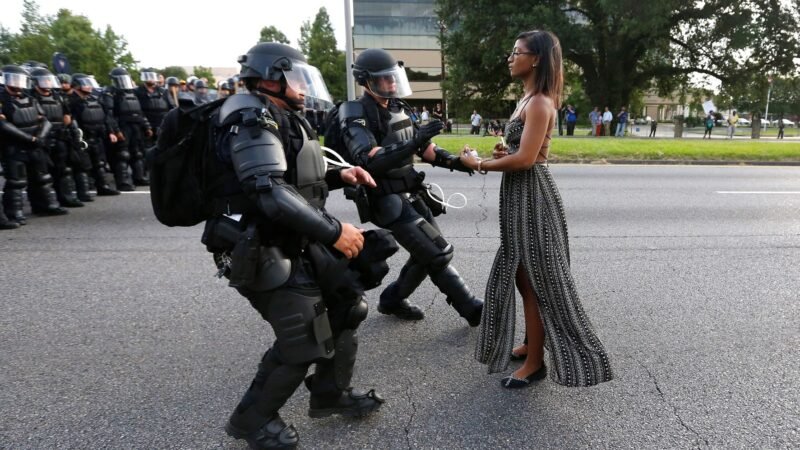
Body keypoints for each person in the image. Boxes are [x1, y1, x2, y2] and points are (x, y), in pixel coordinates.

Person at [192, 42, 385, 449]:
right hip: (260, 245)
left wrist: (340, 176)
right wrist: (336, 232)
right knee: (303, 336)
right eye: (295, 76)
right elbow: (268, 192)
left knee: (348, 304)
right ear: (269, 77)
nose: (302, 86)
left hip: (294, 238)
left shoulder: (280, 115)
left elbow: (293, 179)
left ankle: (329, 393)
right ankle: (251, 421)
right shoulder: (249, 117)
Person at [459, 30, 614, 389]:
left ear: (537, 58)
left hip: (533, 197)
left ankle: (535, 363)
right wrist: (502, 153)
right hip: (519, 195)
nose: (511, 58)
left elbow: (528, 159)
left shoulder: (541, 102)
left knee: (536, 281)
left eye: (517, 52)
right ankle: (532, 343)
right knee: (521, 274)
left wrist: (478, 163)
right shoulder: (526, 99)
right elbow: (519, 152)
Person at [338, 48, 484, 325]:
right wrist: (414, 142)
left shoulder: (398, 107)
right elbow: (368, 159)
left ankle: (392, 300)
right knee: (437, 252)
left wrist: (458, 162)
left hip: (411, 191)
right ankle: (472, 308)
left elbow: (426, 148)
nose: (392, 83)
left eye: (394, 78)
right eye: (385, 79)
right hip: (384, 197)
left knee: (426, 252)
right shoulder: (355, 112)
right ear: (366, 81)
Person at [1, 64, 69, 227]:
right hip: (14, 146)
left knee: (42, 177)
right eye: (14, 79)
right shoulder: (2, 99)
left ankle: (46, 206)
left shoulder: (30, 98)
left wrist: (40, 137)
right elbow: (3, 125)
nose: (17, 83)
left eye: (20, 79)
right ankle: (14, 213)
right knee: (17, 181)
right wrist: (29, 139)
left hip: (35, 144)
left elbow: (44, 120)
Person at [29, 67, 84, 208]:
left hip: (59, 136)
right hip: (41, 138)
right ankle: (42, 204)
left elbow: (67, 116)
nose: (47, 83)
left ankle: (65, 198)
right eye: (44, 80)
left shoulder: (57, 96)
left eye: (48, 80)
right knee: (41, 173)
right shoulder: (31, 98)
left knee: (63, 169)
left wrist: (72, 131)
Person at [68, 73, 121, 197]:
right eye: (85, 84)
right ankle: (83, 192)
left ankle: (103, 187)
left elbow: (105, 117)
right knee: (82, 166)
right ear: (77, 85)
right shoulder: (71, 101)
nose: (89, 87)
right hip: (82, 138)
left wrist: (110, 132)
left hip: (97, 136)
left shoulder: (94, 99)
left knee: (99, 163)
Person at [101, 67, 153, 188]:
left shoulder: (132, 92)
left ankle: (139, 177)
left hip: (136, 126)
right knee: (122, 154)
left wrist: (147, 126)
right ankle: (123, 181)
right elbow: (109, 114)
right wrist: (116, 131)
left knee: (138, 153)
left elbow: (140, 111)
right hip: (122, 126)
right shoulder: (110, 93)